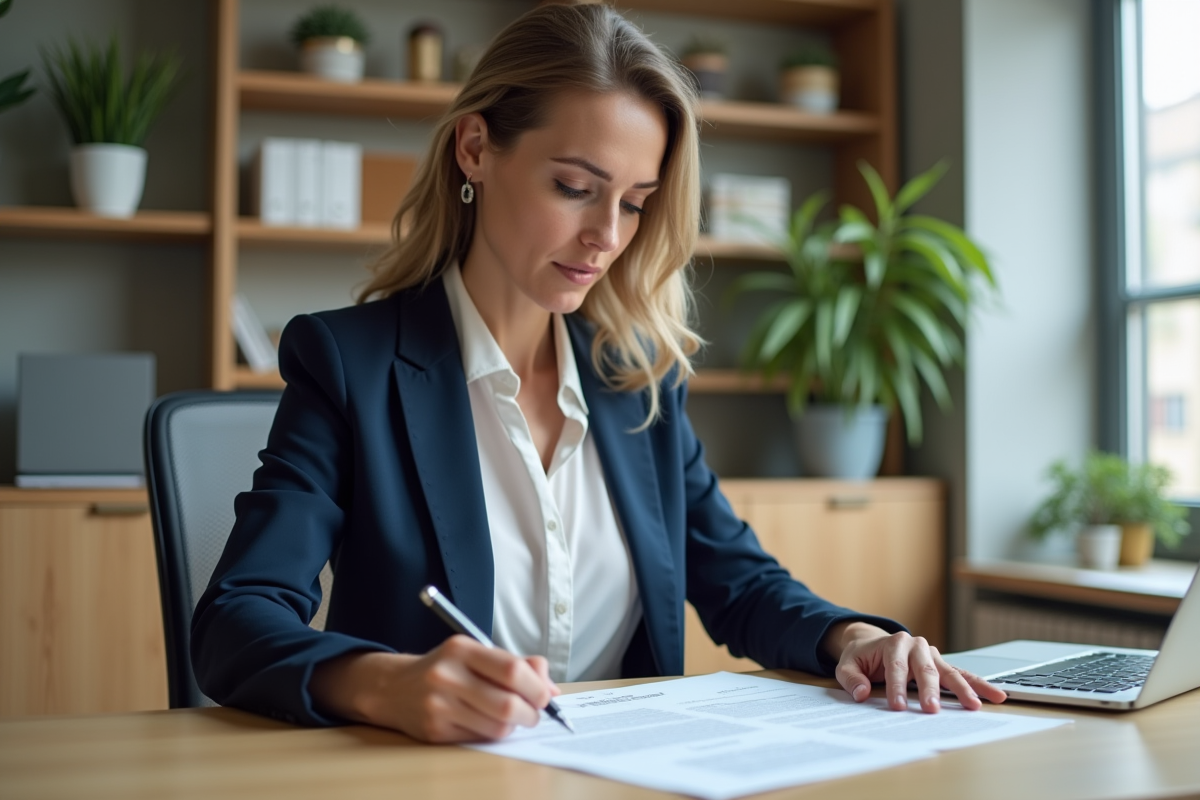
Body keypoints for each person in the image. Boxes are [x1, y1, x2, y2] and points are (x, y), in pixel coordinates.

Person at [191, 3, 1006, 743]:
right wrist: (385, 683)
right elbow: (236, 619)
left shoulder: (634, 381)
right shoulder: (351, 364)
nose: (606, 236)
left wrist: (853, 638)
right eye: (574, 188)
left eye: (635, 201)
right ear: (475, 149)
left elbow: (741, 584)